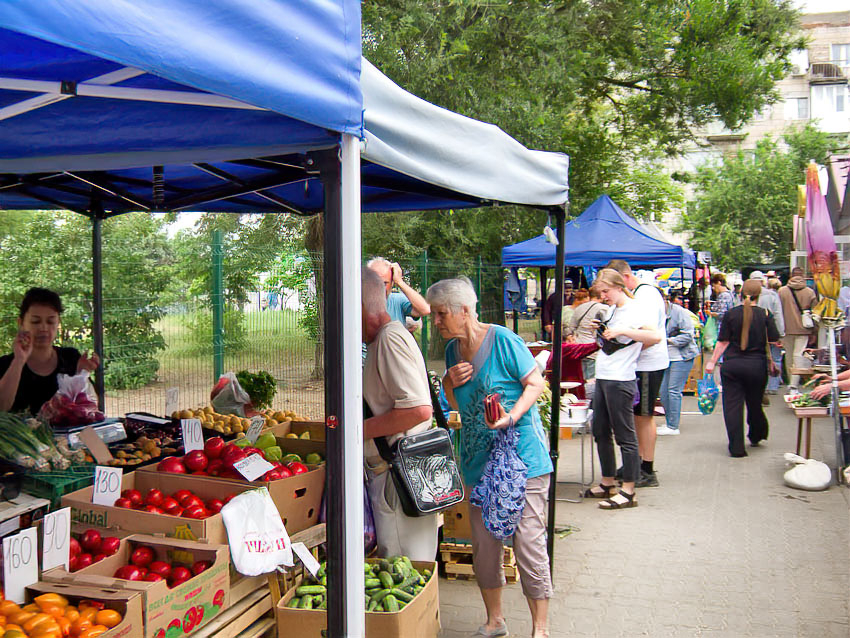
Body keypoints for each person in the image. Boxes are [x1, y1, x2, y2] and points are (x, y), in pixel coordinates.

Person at [426, 277, 552, 638]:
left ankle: (540, 629)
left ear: (465, 310)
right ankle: (495, 620)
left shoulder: (504, 341)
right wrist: (448, 382)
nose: (436, 321)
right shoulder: (452, 352)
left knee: (528, 543)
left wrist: (511, 417)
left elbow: (535, 383)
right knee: (483, 547)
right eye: (434, 314)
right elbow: (454, 405)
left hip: (522, 460)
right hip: (478, 463)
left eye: (441, 314)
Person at [361, 267, 438, 561]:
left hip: (398, 475)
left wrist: (358, 431)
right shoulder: (386, 338)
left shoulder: (389, 340)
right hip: (401, 473)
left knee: (402, 565)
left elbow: (418, 409)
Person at [583, 268, 662, 507]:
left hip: (621, 378)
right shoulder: (613, 309)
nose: (603, 296)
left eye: (606, 291)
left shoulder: (636, 309)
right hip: (605, 375)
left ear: (619, 286)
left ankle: (629, 489)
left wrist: (624, 333)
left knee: (625, 435)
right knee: (600, 431)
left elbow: (655, 337)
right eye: (601, 292)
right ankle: (608, 482)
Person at [605, 260, 669, 488]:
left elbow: (649, 335)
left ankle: (646, 468)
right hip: (637, 365)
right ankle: (636, 462)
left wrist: (625, 351)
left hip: (648, 365)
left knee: (644, 416)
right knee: (635, 416)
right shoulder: (639, 294)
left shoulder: (646, 295)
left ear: (625, 277)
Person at [705, 279, 780, 457]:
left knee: (732, 406)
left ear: (740, 294)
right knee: (754, 403)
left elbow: (723, 341)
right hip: (757, 366)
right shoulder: (765, 314)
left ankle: (737, 448)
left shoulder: (731, 314)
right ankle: (756, 434)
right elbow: (775, 340)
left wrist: (711, 362)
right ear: (759, 295)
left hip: (732, 365)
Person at [0, 288, 100, 415]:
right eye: (35, 321)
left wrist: (81, 373)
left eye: (50, 321)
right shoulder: (5, 366)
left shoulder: (71, 358)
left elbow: (87, 409)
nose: (43, 328)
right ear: (21, 323)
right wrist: (19, 361)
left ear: (58, 323)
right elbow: (2, 408)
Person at [657, 294, 700, 436]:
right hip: (665, 358)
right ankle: (670, 422)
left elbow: (688, 334)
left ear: (664, 299)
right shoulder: (655, 313)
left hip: (682, 356)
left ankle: (673, 426)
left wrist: (669, 341)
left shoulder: (679, 312)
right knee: (663, 392)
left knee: (673, 391)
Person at [778, 267, 816, 391]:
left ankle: (791, 380)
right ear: (803, 276)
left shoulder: (782, 291)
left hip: (786, 329)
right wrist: (814, 331)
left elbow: (778, 312)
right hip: (804, 330)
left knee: (789, 356)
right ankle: (795, 383)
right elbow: (815, 312)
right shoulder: (810, 292)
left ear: (791, 275)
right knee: (798, 355)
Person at [366, 257, 431, 324]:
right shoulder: (358, 303)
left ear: (392, 283)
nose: (380, 288)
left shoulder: (397, 301)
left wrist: (400, 282)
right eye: (376, 282)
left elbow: (425, 310)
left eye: (385, 283)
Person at [565, 287, 606, 385]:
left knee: (582, 379)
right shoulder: (603, 309)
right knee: (591, 381)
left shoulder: (579, 308)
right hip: (593, 348)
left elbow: (570, 328)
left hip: (579, 347)